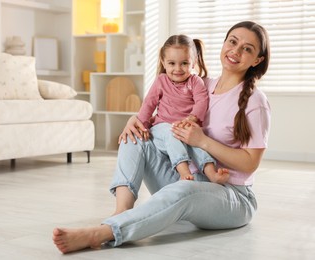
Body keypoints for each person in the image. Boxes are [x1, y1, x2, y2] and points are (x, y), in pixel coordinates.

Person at [53, 20, 271, 254]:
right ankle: (122, 212)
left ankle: (103, 233)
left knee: (184, 191)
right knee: (135, 137)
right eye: (233, 41)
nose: (236, 51)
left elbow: (250, 163)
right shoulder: (199, 84)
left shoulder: (255, 102)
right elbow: (163, 114)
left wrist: (202, 141)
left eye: (247, 49)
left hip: (232, 196)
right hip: (191, 179)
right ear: (224, 43)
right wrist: (134, 121)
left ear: (257, 60)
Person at [136, 34, 228, 183]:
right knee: (171, 134)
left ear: (193, 63)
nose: (177, 69)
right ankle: (184, 172)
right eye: (172, 63)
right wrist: (142, 125)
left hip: (185, 128)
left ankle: (212, 174)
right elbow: (149, 103)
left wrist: (192, 119)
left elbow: (201, 100)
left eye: (184, 63)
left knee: (198, 145)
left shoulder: (195, 81)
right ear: (163, 62)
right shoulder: (161, 80)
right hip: (162, 127)